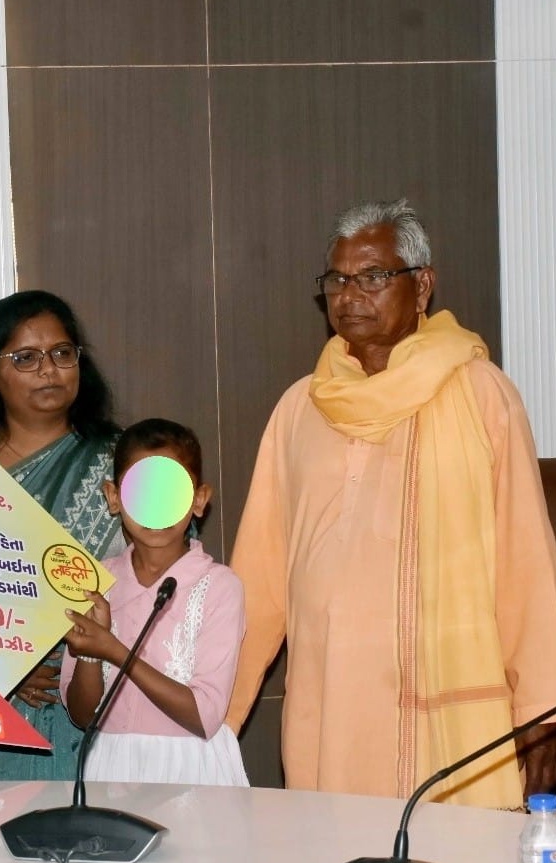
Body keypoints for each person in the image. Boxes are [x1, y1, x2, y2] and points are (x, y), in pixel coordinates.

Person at [226, 197, 556, 808]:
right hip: (331, 708)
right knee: (333, 858)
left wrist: (544, 715)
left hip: (449, 722)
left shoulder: (482, 395)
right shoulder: (300, 408)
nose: (350, 295)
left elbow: (527, 566)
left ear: (422, 285)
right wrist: (215, 710)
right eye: (337, 280)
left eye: (374, 276)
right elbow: (260, 577)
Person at [0, 290, 122, 781]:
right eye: (25, 358)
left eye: (62, 353)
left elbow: (169, 581)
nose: (49, 370)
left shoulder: (122, 463)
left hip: (98, 697)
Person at [60, 418, 248, 785]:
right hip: (111, 767)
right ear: (114, 497)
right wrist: (90, 654)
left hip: (190, 770)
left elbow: (205, 715)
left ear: (198, 499)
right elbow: (82, 715)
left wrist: (115, 651)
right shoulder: (96, 582)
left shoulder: (220, 586)